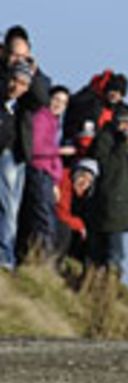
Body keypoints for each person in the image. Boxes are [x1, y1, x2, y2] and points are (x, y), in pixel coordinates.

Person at [85, 104, 128, 272]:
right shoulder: (104, 138)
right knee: (109, 252)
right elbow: (106, 166)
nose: (126, 126)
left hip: (121, 203)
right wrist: (124, 145)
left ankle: (107, 283)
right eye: (123, 122)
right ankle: (103, 283)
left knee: (114, 251)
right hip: (105, 202)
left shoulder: (124, 141)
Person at [21, 85, 71, 260]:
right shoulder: (42, 117)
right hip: (38, 171)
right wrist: (59, 151)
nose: (58, 104)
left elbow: (53, 158)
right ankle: (42, 260)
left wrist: (56, 182)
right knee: (44, 219)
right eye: (56, 99)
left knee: (48, 218)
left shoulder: (55, 122)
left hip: (47, 176)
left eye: (63, 102)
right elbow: (35, 147)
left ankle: (42, 258)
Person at [0, 61, 40, 269]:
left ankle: (6, 254)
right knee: (7, 207)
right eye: (14, 80)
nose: (16, 86)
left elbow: (42, 98)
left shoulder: (25, 107)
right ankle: (5, 255)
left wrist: (36, 73)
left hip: (19, 159)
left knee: (12, 208)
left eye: (23, 83)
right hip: (6, 156)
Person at [55, 159, 96, 260]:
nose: (84, 183)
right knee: (65, 230)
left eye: (89, 181)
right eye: (82, 177)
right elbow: (60, 213)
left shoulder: (80, 196)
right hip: (53, 220)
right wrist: (79, 224)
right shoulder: (63, 181)